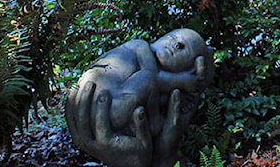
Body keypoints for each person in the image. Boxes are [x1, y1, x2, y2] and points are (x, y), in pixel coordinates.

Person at [65, 28, 212, 167]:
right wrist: (184, 81)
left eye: (183, 48)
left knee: (148, 86)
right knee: (147, 77)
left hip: (107, 109)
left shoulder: (146, 80)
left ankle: (152, 126)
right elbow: (154, 77)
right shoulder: (140, 46)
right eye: (172, 37)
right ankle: (155, 122)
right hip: (103, 106)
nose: (175, 44)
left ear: (190, 69)